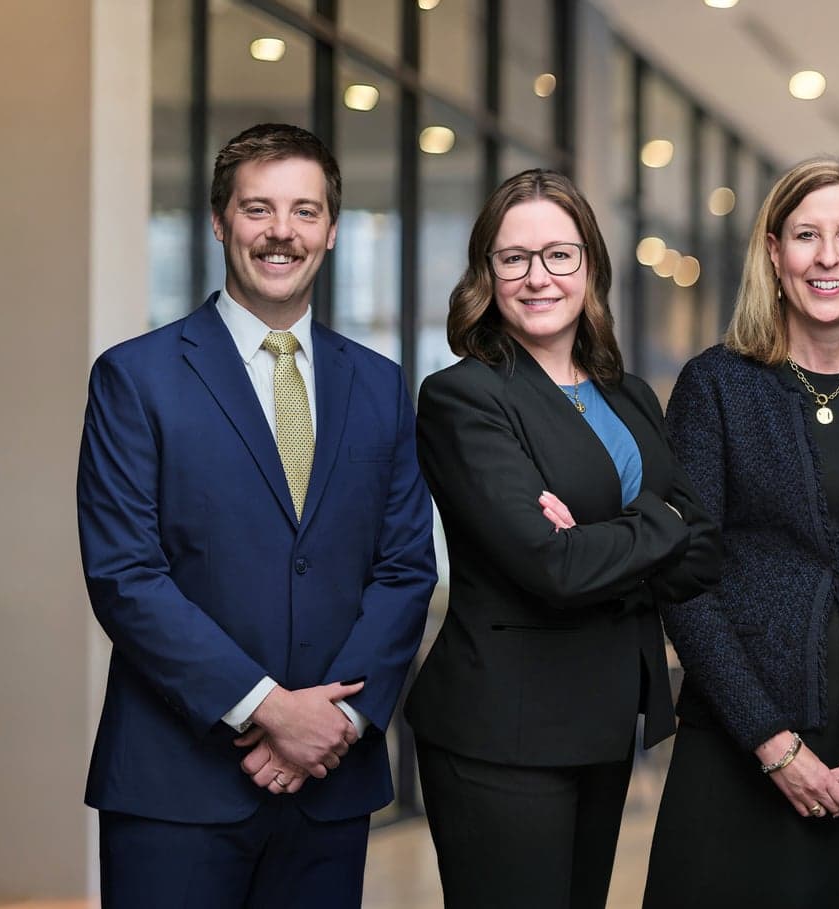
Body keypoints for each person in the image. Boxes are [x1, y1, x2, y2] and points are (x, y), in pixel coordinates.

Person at [77, 122, 436, 907]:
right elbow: (125, 575)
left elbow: (406, 567)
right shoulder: (135, 379)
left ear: (333, 230)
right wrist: (269, 709)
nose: (282, 232)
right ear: (219, 220)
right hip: (174, 788)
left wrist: (335, 724)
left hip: (329, 790)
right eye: (259, 209)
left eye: (305, 211)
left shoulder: (379, 386)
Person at [405, 169, 719, 909]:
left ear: (591, 267)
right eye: (513, 258)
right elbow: (552, 565)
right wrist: (657, 523)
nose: (537, 276)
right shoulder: (465, 396)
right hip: (502, 729)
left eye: (559, 254)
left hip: (603, 720)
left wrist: (611, 537)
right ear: (487, 273)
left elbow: (704, 547)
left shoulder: (629, 394)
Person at [644, 157, 839, 905]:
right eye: (806, 235)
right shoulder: (715, 384)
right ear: (773, 254)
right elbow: (684, 578)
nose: (827, 256)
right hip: (739, 754)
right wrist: (772, 743)